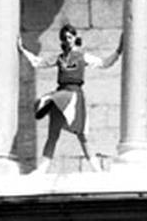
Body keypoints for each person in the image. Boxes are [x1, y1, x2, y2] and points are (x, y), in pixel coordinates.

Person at [17, 24, 122, 174]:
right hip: (61, 97)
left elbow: (104, 63)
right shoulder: (59, 58)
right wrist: (23, 50)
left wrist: (118, 51)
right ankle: (42, 169)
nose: (67, 40)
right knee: (53, 134)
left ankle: (97, 170)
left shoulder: (83, 56)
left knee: (82, 136)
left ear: (74, 38)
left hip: (75, 96)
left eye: (70, 37)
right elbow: (39, 63)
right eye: (64, 38)